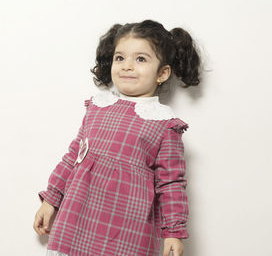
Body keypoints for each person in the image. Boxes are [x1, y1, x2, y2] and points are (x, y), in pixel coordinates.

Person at [33, 19, 202, 256]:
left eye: (140, 59)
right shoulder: (97, 107)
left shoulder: (164, 123)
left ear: (162, 73)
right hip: (78, 216)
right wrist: (50, 200)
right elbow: (74, 156)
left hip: (127, 227)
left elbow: (170, 183)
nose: (127, 66)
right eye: (120, 58)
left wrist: (172, 232)